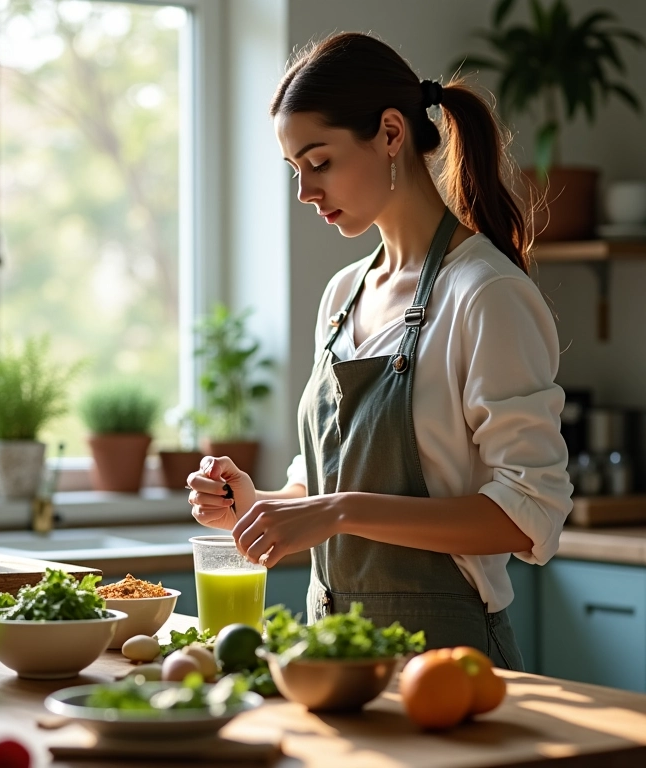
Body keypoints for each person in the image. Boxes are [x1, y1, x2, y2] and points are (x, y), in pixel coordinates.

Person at [186, 32, 573, 669]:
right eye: (294, 170)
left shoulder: (485, 293)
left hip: (448, 664)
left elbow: (530, 513)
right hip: (335, 657)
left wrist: (339, 512)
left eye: (320, 162)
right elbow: (326, 485)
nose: (306, 191)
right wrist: (260, 505)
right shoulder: (343, 294)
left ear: (391, 133)